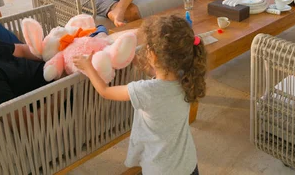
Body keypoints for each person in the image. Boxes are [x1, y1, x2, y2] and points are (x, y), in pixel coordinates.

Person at [73, 15, 206, 175]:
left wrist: (88, 68)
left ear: (153, 55)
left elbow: (105, 91)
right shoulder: (186, 77)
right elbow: (157, 74)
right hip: (188, 164)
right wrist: (132, 58)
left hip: (160, 169)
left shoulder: (146, 91)